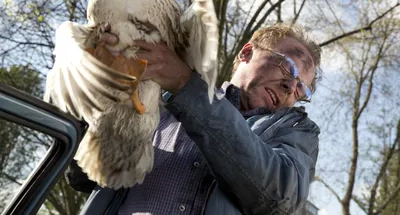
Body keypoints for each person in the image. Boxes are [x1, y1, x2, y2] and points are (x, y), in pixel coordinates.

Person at [66, 23, 322, 215]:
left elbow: (279, 198)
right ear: (246, 53)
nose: (291, 87)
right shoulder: (157, 97)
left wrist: (186, 85)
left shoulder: (299, 132)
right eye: (288, 67)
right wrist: (97, 102)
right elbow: (84, 175)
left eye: (303, 88)